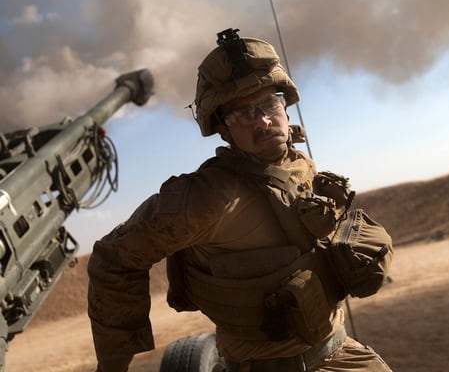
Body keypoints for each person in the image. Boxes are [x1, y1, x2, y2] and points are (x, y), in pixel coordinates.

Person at [87, 28, 394, 372]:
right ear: (223, 129)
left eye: (269, 104)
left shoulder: (297, 162)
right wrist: (114, 363)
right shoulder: (204, 196)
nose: (262, 120)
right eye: (242, 114)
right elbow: (115, 258)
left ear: (286, 105)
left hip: (341, 353)